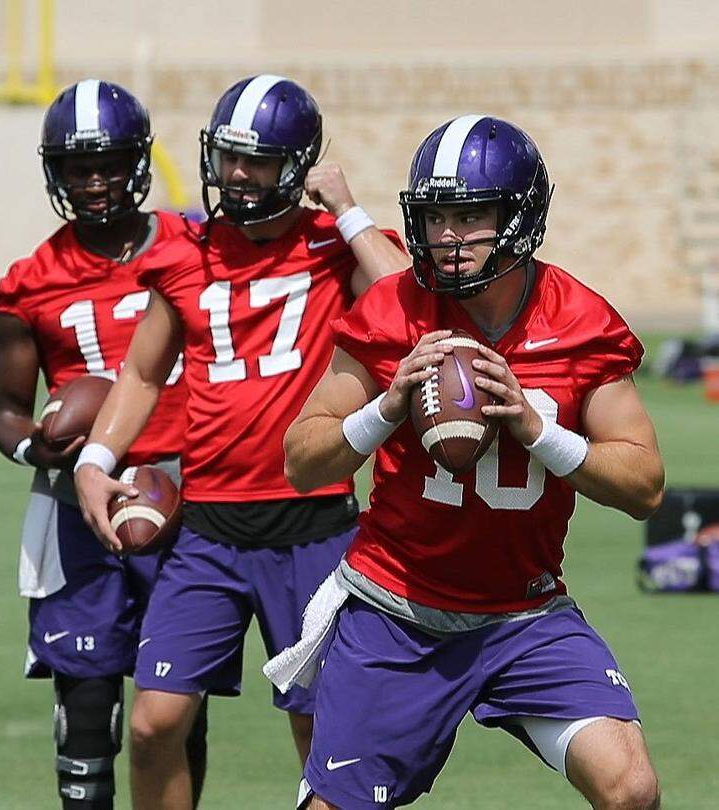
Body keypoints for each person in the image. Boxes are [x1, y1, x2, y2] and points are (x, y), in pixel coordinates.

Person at [276, 115, 664, 810]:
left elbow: (644, 485)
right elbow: (302, 461)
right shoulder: (391, 310)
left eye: (471, 215)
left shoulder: (580, 323)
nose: (449, 238)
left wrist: (536, 428)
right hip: (397, 610)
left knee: (630, 789)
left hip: (525, 613)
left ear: (519, 217)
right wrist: (386, 406)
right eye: (436, 217)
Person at [73, 75, 411, 808]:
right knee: (154, 723)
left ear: (295, 166)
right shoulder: (184, 254)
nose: (235, 174)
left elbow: (407, 304)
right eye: (228, 155)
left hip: (314, 525)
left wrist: (350, 212)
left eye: (255, 160)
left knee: (321, 733)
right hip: (208, 531)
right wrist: (96, 460)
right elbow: (140, 371)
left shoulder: (332, 247)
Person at [0, 79, 207, 809]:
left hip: (187, 500)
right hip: (77, 509)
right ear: (55, 172)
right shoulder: (29, 284)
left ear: (139, 161)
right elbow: (8, 414)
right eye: (78, 167)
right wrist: (41, 450)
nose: (95, 181)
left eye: (109, 162)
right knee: (86, 709)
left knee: (175, 712)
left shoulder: (195, 247)